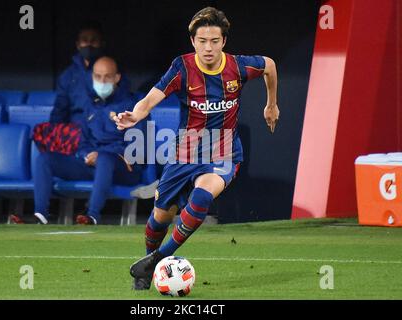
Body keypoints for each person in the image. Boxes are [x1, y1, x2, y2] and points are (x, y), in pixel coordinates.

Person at [113, 7, 279, 290]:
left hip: (225, 149)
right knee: (161, 216)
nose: (209, 48)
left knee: (202, 196)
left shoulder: (238, 67)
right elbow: (150, 99)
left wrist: (271, 104)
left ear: (224, 41)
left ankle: (158, 259)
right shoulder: (182, 68)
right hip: (187, 150)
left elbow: (270, 65)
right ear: (193, 42)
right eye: (202, 41)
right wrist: (135, 115)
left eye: (214, 41)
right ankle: (147, 266)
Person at [33, 56, 142, 225]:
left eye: (107, 76)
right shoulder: (91, 106)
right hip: (92, 165)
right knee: (45, 159)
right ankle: (40, 214)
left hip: (123, 168)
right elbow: (82, 142)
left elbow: (137, 151)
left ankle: (91, 215)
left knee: (105, 158)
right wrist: (87, 155)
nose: (102, 81)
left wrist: (103, 155)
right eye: (98, 76)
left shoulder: (134, 107)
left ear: (117, 78)